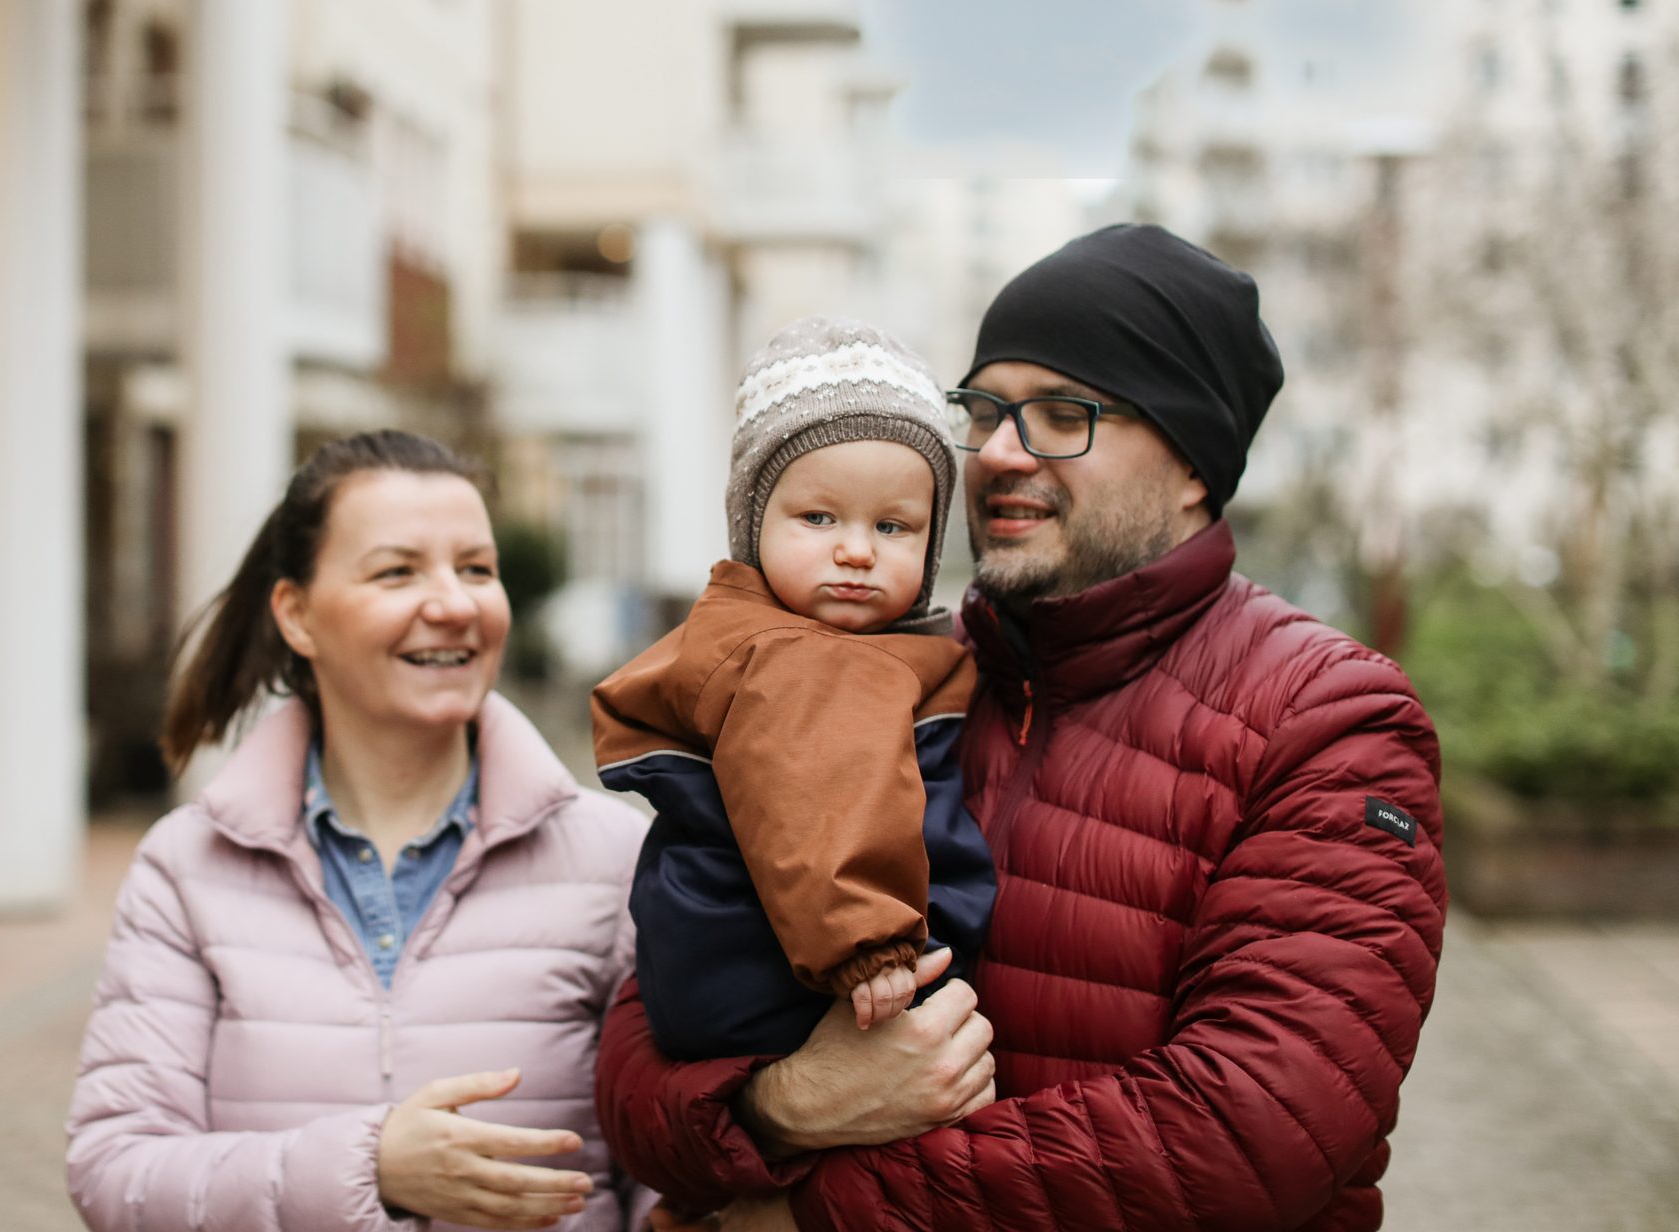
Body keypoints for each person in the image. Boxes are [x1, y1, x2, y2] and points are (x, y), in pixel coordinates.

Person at [593, 224, 1448, 1231]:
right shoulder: (880, 677)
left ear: (1191, 465)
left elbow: (1253, 1136)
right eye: (988, 408)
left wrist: (811, 1210)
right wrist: (780, 1107)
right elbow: (640, 1044)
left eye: (1060, 413)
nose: (999, 450)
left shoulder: (1327, 720)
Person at [65, 430, 653, 1232]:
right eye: (397, 571)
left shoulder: (614, 859)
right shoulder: (187, 869)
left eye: (476, 569)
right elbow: (117, 1173)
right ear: (297, 615)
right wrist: (369, 1167)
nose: (452, 603)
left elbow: (673, 1173)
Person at [590, 318, 998, 1060]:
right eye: (818, 517)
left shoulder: (850, 645)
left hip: (759, 966)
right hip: (792, 976)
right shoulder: (793, 658)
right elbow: (818, 807)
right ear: (752, 523)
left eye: (894, 526)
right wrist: (870, 949)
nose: (856, 549)